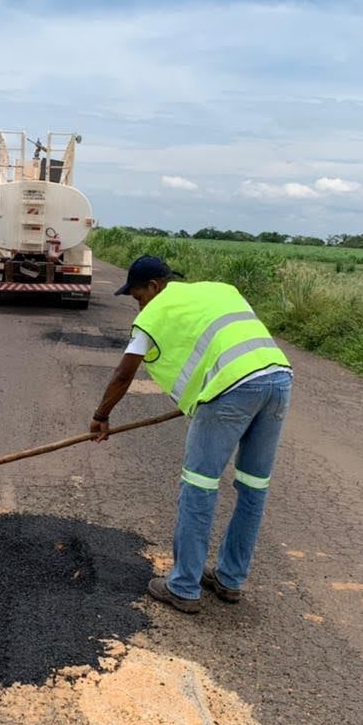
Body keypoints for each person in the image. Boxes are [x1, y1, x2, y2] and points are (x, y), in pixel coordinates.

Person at [90, 255, 292, 612]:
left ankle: (183, 586)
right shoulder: (219, 290)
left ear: (154, 286)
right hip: (277, 379)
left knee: (199, 485)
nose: (139, 305)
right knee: (253, 486)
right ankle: (230, 580)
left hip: (229, 390)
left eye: (138, 297)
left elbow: (124, 374)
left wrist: (101, 416)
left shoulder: (154, 313)